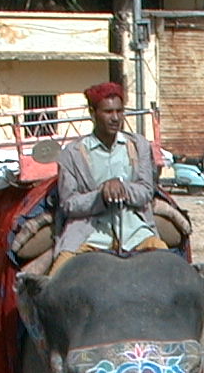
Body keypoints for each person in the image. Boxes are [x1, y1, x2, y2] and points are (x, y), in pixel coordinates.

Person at [51, 81, 168, 273]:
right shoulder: (72, 154)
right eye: (108, 112)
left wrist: (120, 186)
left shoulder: (138, 146)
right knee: (54, 282)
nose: (115, 118)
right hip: (88, 234)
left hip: (136, 232)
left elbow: (146, 191)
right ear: (92, 113)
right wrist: (101, 195)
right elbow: (68, 204)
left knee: (173, 272)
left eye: (119, 111)